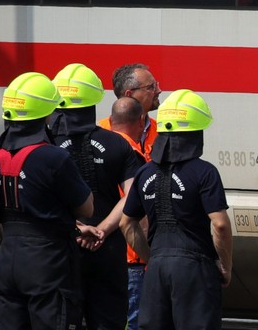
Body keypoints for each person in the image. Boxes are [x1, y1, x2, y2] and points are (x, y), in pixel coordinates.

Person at [120, 89, 233, 330]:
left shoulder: (145, 172)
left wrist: (154, 258)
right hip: (195, 270)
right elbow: (220, 224)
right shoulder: (205, 172)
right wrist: (225, 266)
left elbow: (126, 223)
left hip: (156, 271)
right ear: (195, 133)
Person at [0, 72, 95, 330]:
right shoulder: (53, 157)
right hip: (47, 261)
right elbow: (87, 207)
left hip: (7, 260)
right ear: (47, 114)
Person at [49, 64, 144, 330]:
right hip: (108, 251)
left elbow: (42, 199)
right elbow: (132, 194)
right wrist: (101, 230)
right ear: (94, 98)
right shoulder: (117, 143)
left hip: (61, 251)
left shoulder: (47, 146)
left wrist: (77, 228)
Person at [101, 63, 162, 329]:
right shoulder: (102, 136)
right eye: (151, 87)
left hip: (153, 254)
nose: (158, 90)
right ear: (129, 93)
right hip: (123, 257)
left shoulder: (162, 132)